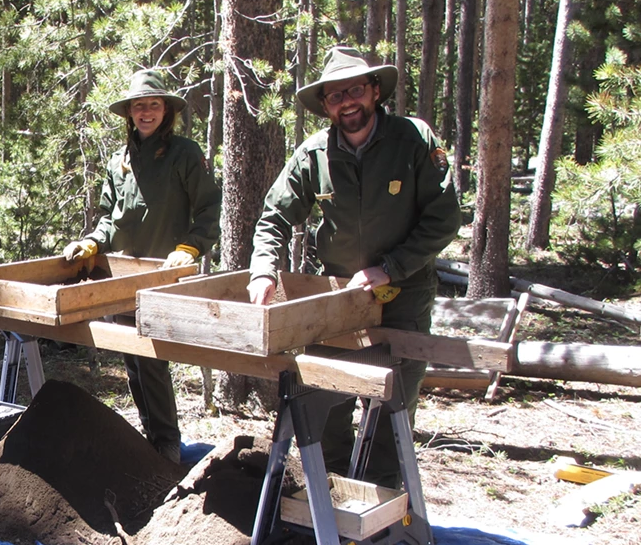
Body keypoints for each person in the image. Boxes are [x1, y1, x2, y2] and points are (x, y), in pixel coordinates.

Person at [247, 46, 460, 486]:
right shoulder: (313, 154)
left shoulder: (414, 140)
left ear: (375, 91)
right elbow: (275, 217)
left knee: (391, 408)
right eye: (335, 96)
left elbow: (444, 218)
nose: (347, 102)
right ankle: (330, 505)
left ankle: (378, 513)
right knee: (330, 402)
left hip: (405, 295)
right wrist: (264, 269)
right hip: (339, 299)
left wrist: (392, 267)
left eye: (355, 90)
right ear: (325, 105)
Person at [63, 68, 221, 464]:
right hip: (119, 276)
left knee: (149, 359)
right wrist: (91, 242)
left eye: (153, 104)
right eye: (139, 106)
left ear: (165, 110)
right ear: (129, 113)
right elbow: (107, 217)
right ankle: (154, 438)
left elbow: (208, 210)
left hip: (164, 276)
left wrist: (191, 247)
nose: (146, 112)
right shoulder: (121, 159)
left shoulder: (184, 153)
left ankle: (166, 444)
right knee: (133, 360)